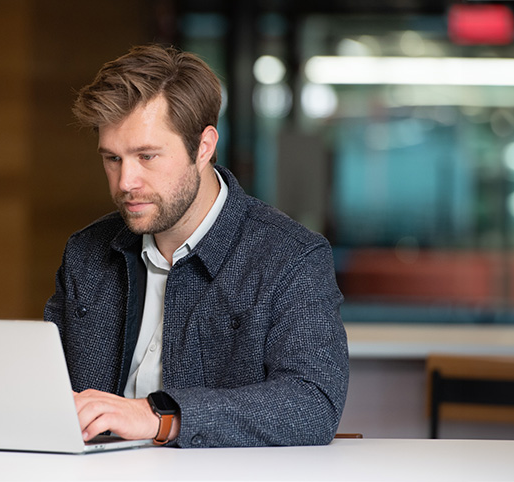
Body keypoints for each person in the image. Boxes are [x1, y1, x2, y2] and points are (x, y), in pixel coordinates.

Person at [44, 44, 349, 448]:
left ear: (203, 147)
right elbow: (47, 390)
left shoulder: (291, 257)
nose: (125, 182)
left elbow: (312, 404)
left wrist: (159, 418)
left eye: (147, 156)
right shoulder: (86, 253)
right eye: (112, 159)